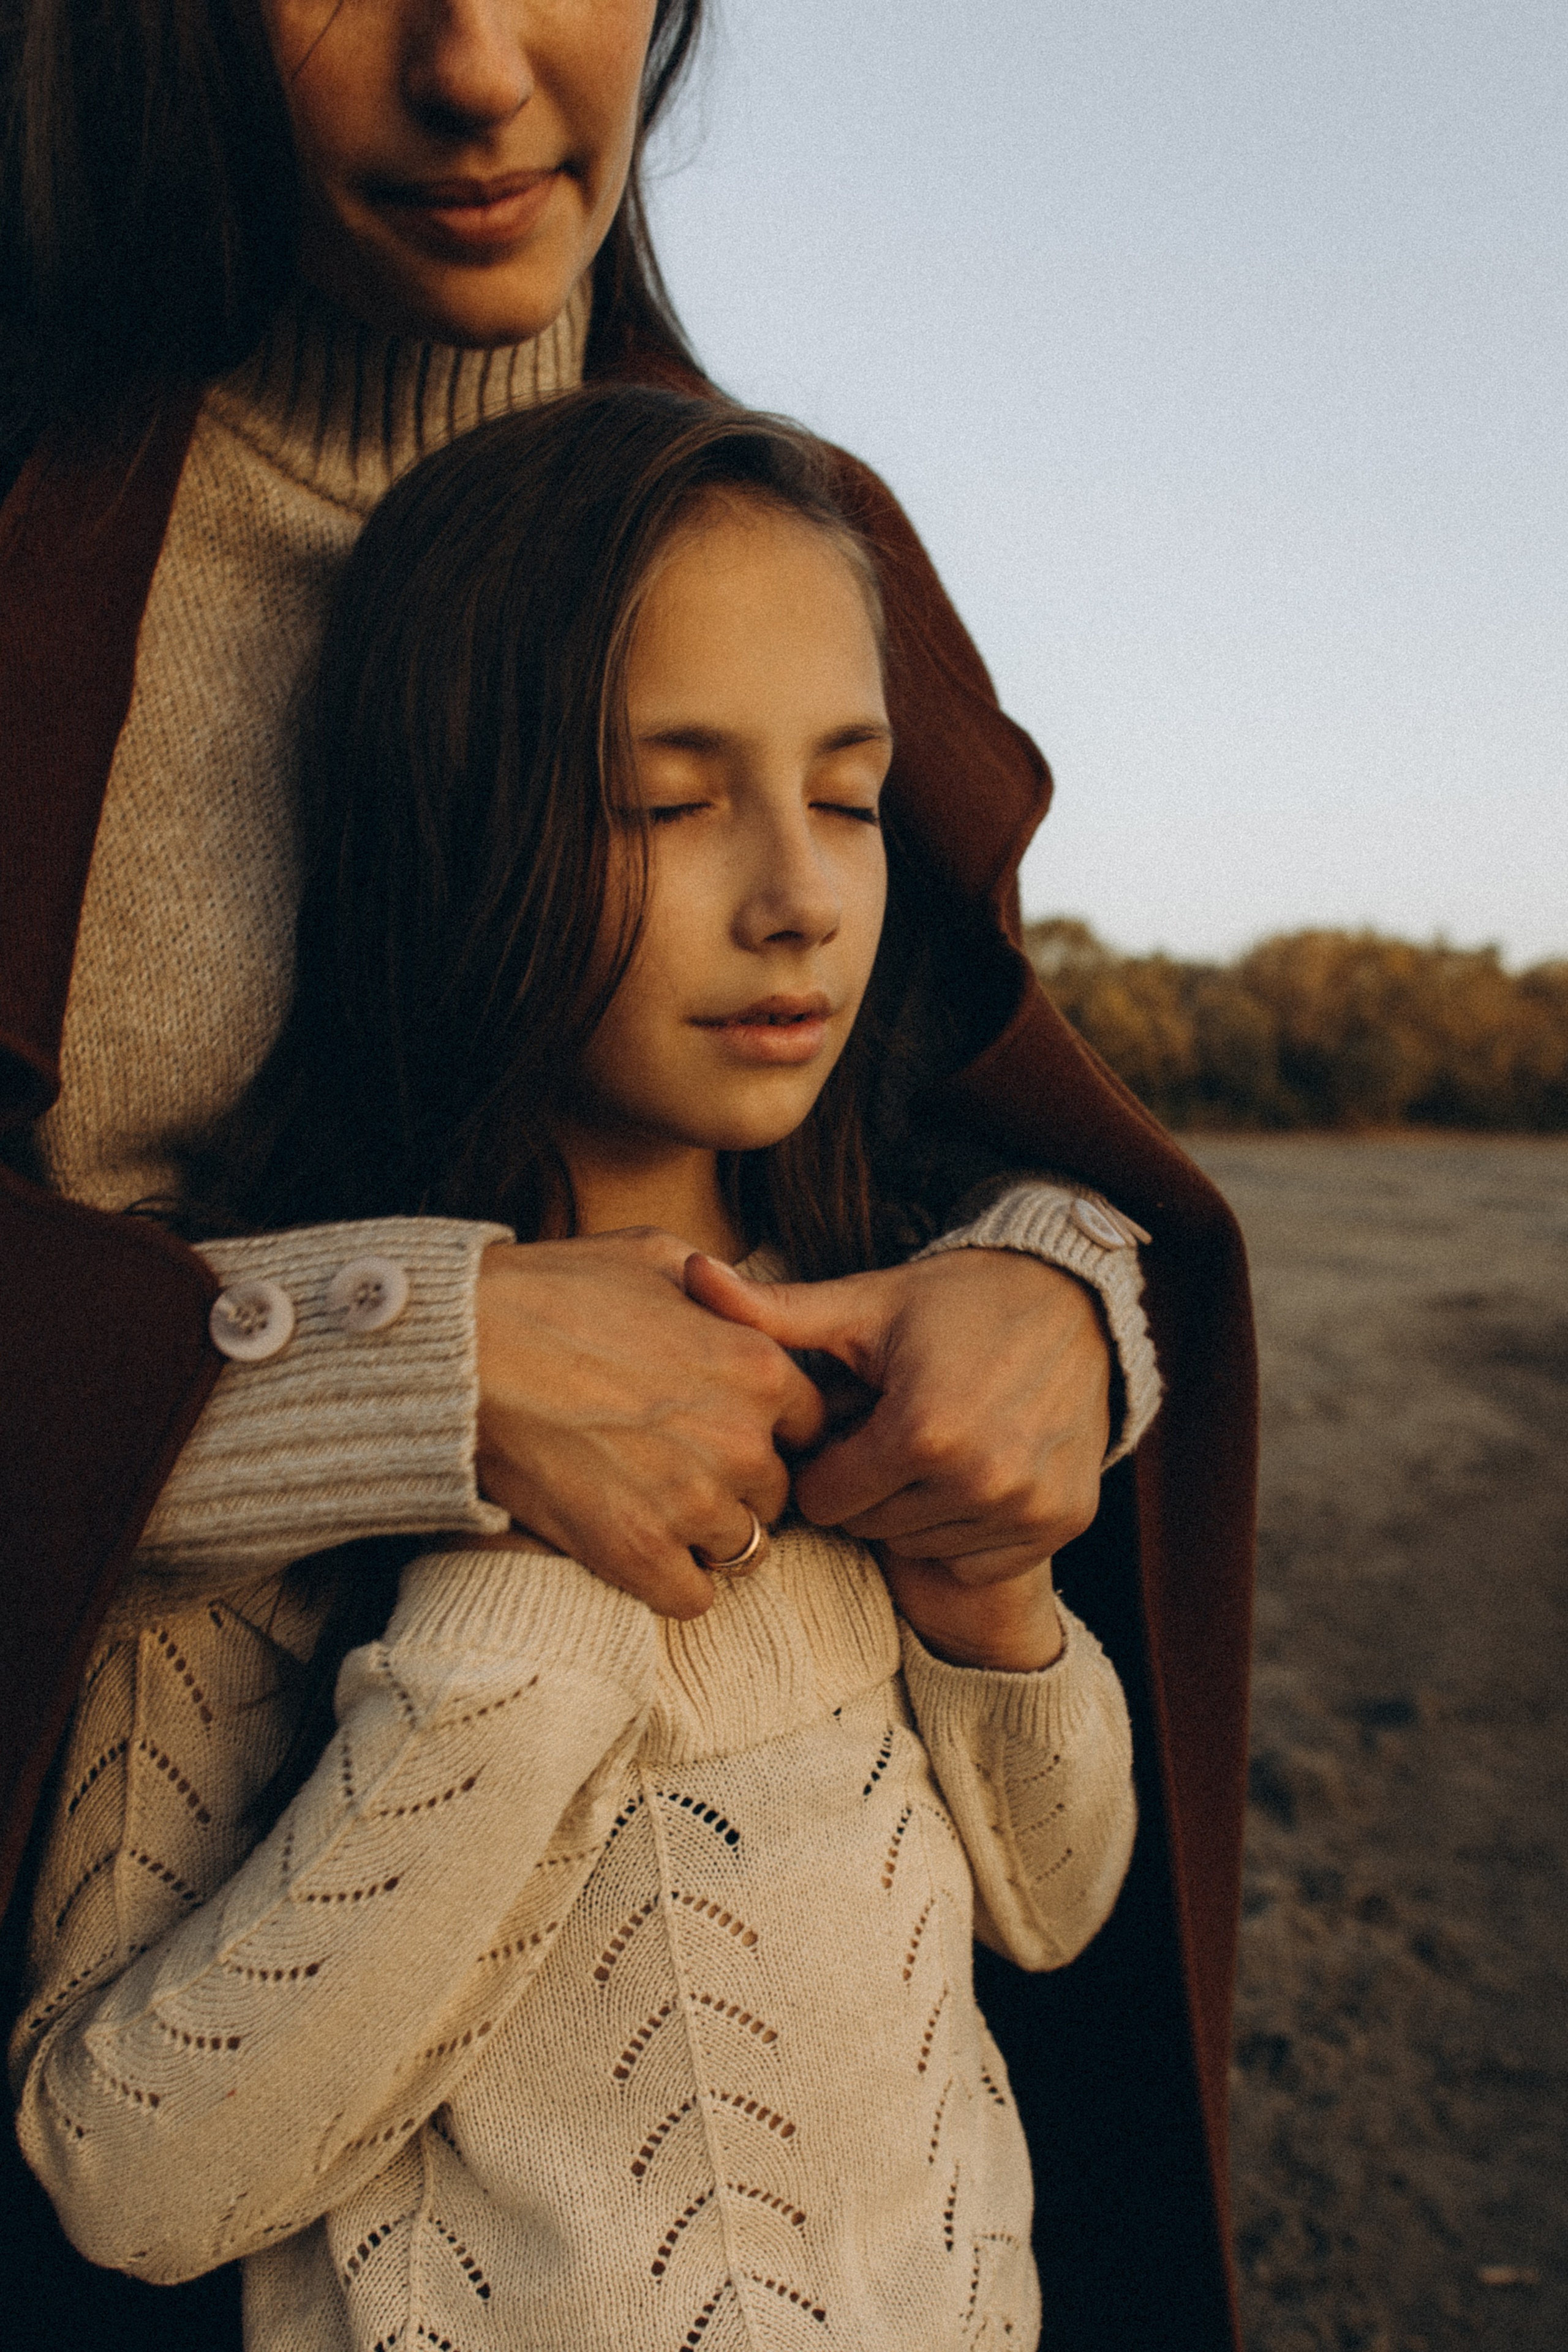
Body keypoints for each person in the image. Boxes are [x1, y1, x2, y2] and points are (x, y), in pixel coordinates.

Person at [0, 2, 1256, 2346]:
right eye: (665, 801)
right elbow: (127, 2155)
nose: (478, 64)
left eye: (848, 797)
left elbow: (994, 1112)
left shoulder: (781, 526)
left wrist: (1052, 1301)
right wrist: (425, 1397)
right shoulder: (43, 540)